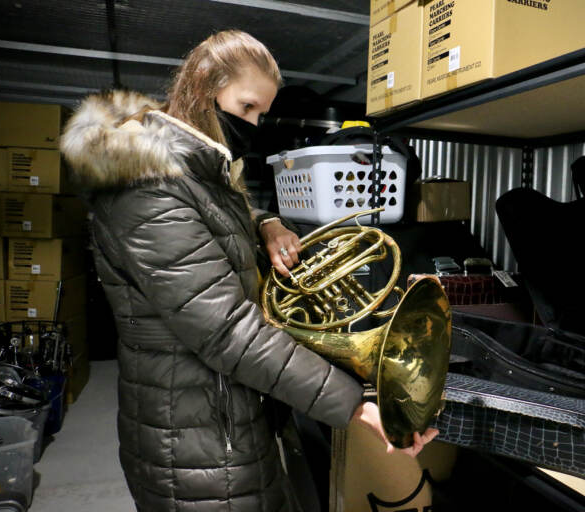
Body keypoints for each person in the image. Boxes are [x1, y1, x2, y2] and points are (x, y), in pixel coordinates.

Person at [60, 29, 437, 512]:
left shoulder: (192, 171)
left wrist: (268, 224)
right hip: (192, 440)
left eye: (261, 113)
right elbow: (227, 332)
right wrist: (354, 404)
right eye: (247, 109)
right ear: (204, 86)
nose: (255, 124)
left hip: (227, 421)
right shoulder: (146, 188)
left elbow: (216, 209)